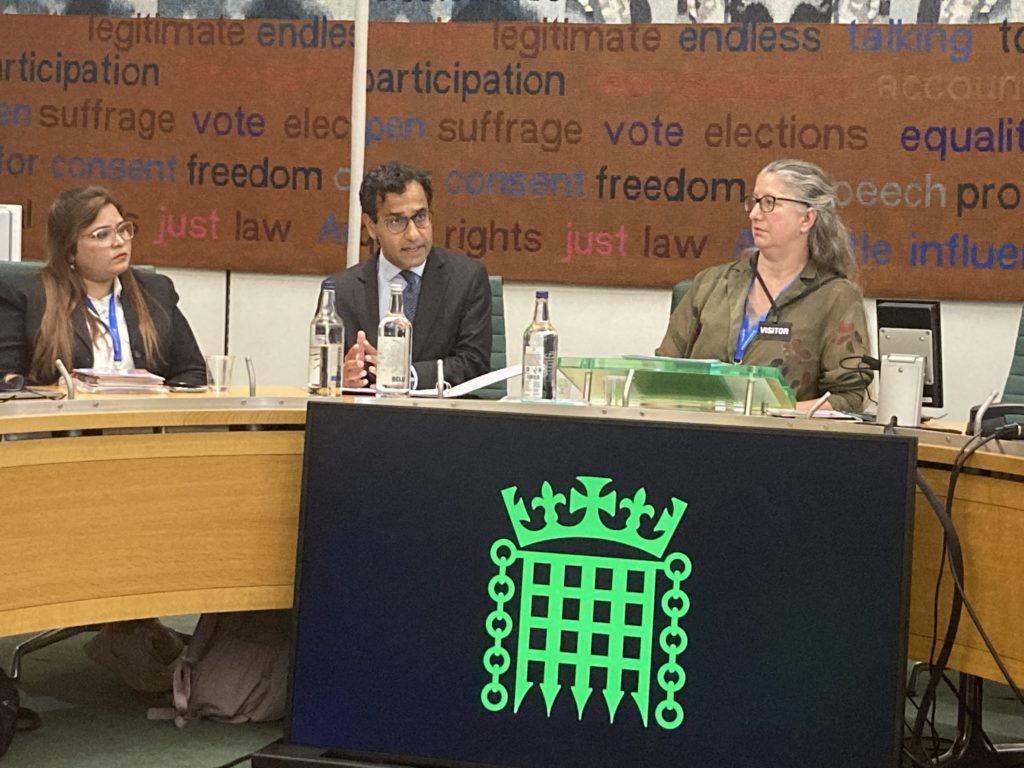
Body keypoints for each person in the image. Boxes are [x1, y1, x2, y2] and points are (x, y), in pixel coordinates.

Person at [657, 158, 871, 411]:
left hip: (784, 441)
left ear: (807, 219)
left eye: (769, 203)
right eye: (755, 201)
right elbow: (663, 373)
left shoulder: (835, 297)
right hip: (698, 436)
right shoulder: (711, 284)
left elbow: (849, 398)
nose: (754, 214)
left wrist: (775, 413)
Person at [0, 186, 206, 387]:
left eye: (123, 229)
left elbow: (192, 372)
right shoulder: (26, 296)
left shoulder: (156, 291)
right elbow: (6, 379)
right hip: (64, 418)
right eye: (102, 234)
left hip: (141, 418)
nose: (119, 241)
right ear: (70, 250)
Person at [327, 161, 491, 390]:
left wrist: (408, 376)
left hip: (442, 420)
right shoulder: (340, 290)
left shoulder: (467, 279)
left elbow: (474, 364)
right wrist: (341, 379)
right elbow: (325, 371)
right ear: (371, 226)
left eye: (420, 217)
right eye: (397, 221)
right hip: (368, 419)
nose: (413, 234)